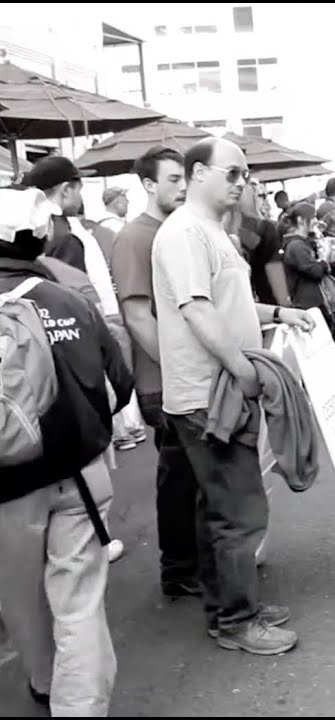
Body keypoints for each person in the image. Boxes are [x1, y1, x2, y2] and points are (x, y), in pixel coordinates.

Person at [151, 137, 315, 655]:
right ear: (198, 173)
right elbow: (198, 310)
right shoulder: (183, 233)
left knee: (219, 508)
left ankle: (229, 606)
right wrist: (244, 370)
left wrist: (278, 314)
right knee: (239, 510)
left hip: (217, 388)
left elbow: (230, 303)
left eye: (245, 174)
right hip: (209, 394)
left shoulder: (209, 232)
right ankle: (236, 621)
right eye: (233, 172)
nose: (242, 181)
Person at [0, 185, 133, 716]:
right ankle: (80, 707)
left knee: (18, 596)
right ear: (40, 236)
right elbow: (118, 385)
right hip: (80, 475)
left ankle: (42, 680)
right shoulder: (68, 297)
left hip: (5, 490)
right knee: (78, 601)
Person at [109, 145, 202, 599]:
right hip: (161, 381)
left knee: (196, 476)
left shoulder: (179, 229)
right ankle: (180, 570)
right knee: (180, 479)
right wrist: (179, 366)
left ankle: (192, 565)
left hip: (186, 375)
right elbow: (137, 316)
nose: (182, 187)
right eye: (171, 180)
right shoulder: (135, 237)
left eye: (185, 178)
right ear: (147, 185)